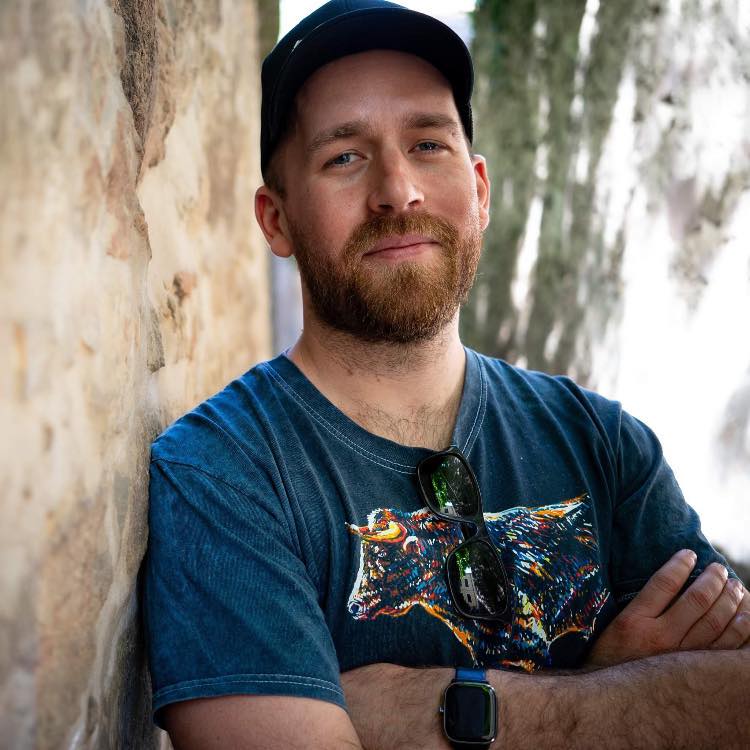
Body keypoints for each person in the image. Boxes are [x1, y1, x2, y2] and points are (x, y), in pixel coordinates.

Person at [142, 1, 750, 747]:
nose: (398, 191)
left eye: (428, 144)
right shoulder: (221, 475)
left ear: (481, 189)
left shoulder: (607, 446)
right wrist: (625, 690)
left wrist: (423, 711)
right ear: (277, 220)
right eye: (344, 157)